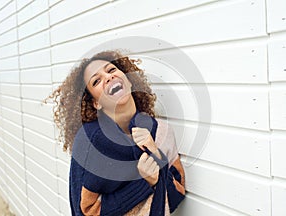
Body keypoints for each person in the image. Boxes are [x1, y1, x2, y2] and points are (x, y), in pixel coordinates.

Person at [47, 50, 186, 215]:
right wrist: (144, 183)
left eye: (111, 70)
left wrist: (157, 164)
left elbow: (178, 193)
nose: (108, 77)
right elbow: (84, 211)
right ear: (96, 103)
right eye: (96, 81)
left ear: (128, 80)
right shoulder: (90, 142)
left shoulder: (161, 131)